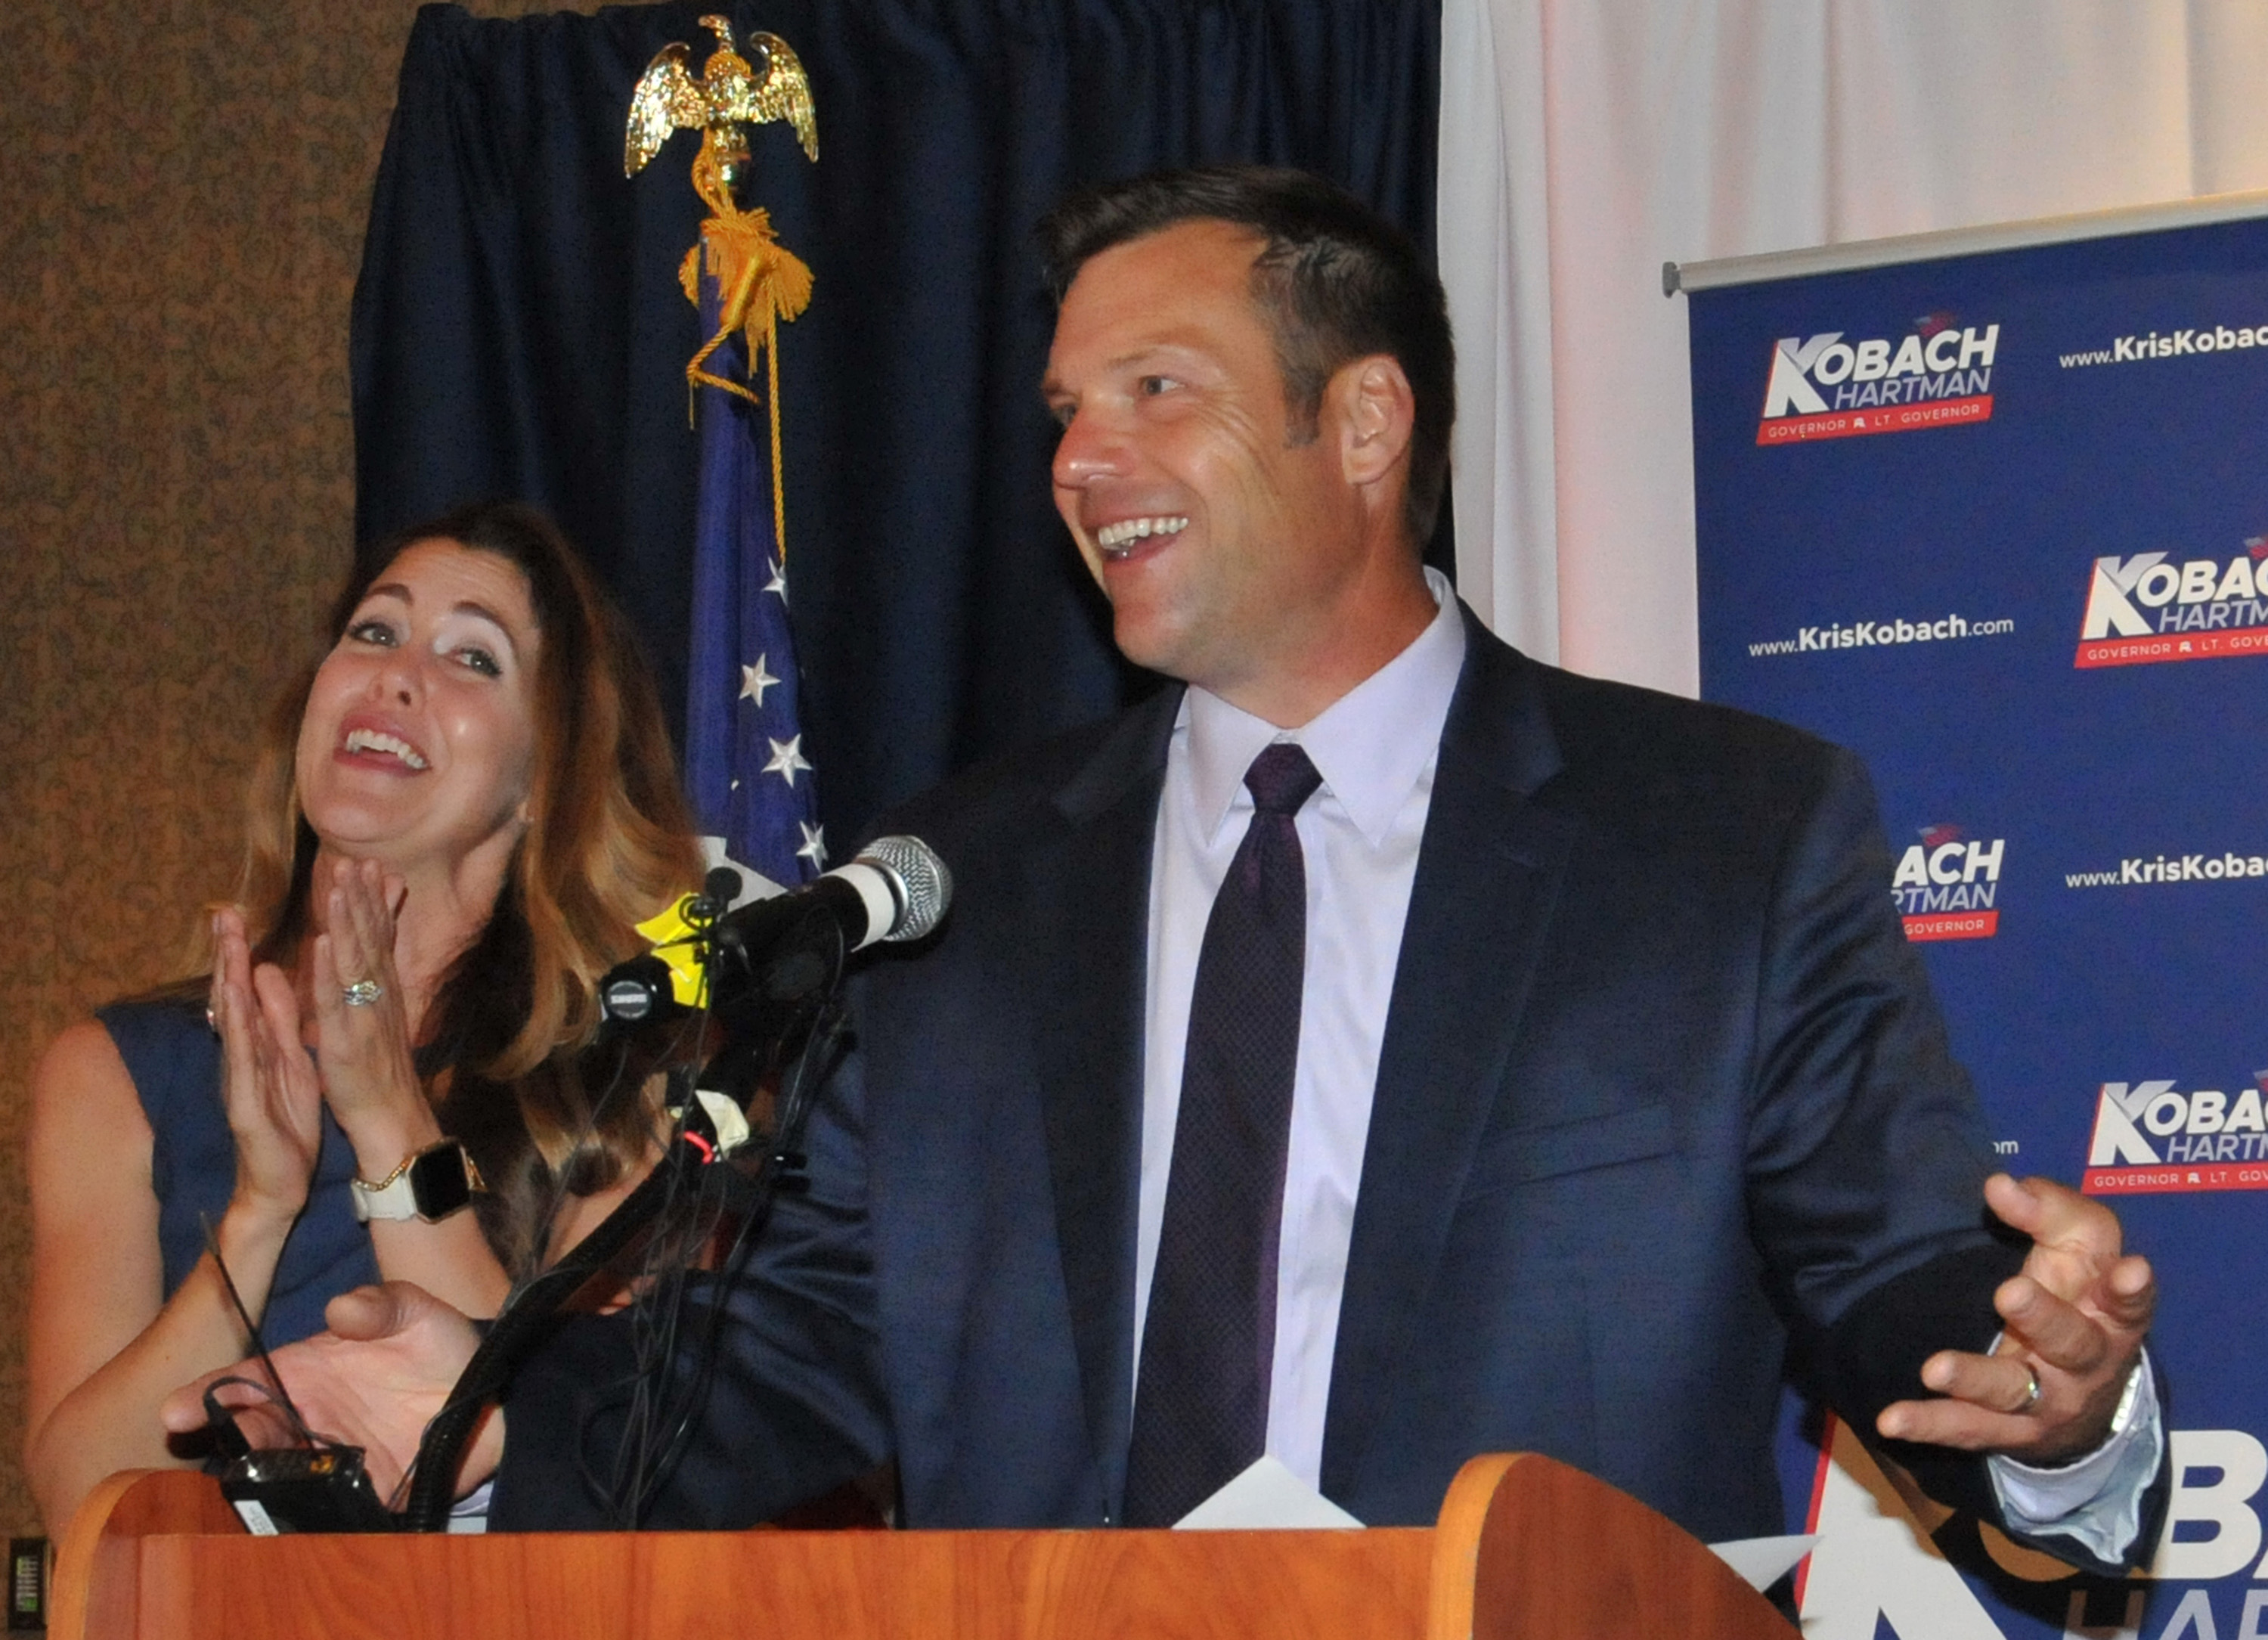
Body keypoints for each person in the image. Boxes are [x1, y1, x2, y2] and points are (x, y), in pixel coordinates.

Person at [171, 169, 2165, 1573]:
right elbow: (792, 1353)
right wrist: (501, 1404)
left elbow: (1899, 1273)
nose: (1080, 460)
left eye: (1158, 393)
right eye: (1061, 413)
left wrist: (2059, 1409)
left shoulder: (1718, 839)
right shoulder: (957, 880)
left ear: (1366, 421)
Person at [29, 500, 704, 1533]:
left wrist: (387, 1115)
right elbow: (83, 1501)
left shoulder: (628, 1070)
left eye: (471, 658)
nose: (397, 674)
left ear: (540, 778)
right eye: (375, 632)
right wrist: (262, 1206)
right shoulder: (117, 1069)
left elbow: (571, 1479)